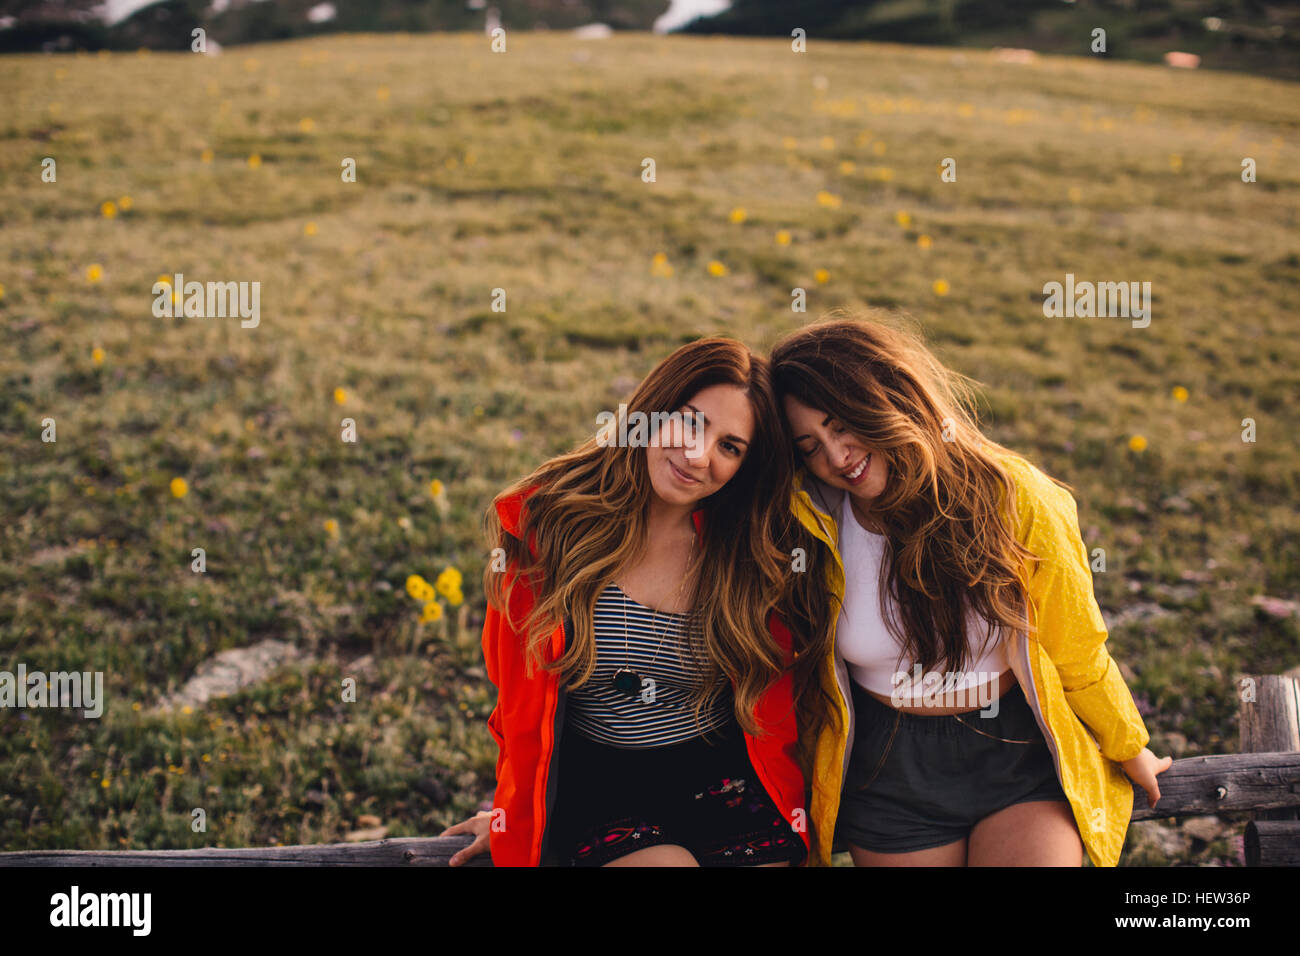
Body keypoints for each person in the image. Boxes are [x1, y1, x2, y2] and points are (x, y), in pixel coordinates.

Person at [770, 314, 1171, 867]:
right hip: (888, 764)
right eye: (810, 446)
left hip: (1015, 751)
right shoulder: (813, 521)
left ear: (890, 397)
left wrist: (1128, 744)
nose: (836, 457)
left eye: (841, 424)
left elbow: (1076, 644)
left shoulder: (1014, 498)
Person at [441, 337, 832, 866]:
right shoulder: (550, 527)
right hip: (603, 784)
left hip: (721, 778)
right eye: (690, 422)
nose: (698, 456)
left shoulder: (750, 552)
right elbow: (518, 707)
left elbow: (779, 705)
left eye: (730, 447)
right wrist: (518, 814)